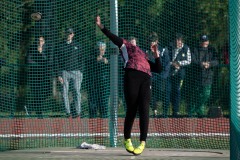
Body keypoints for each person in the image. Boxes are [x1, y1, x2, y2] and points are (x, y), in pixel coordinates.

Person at [96, 16, 162, 155]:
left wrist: (156, 55)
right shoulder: (125, 45)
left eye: (134, 40)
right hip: (131, 76)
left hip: (146, 79)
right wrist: (101, 27)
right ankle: (127, 139)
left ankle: (143, 142)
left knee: (144, 109)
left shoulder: (143, 54)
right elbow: (111, 36)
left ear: (137, 42)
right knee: (132, 109)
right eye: (130, 40)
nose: (133, 42)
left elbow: (158, 69)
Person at [55, 28, 83, 118]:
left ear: (73, 34)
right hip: (64, 72)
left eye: (71, 33)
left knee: (76, 91)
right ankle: (68, 113)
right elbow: (56, 61)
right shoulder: (60, 46)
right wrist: (58, 74)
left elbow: (81, 59)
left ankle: (78, 113)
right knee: (64, 92)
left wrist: (80, 72)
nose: (69, 34)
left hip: (76, 72)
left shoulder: (78, 45)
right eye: (68, 33)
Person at [188, 35, 219, 117]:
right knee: (196, 94)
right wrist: (201, 64)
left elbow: (216, 61)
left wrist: (209, 64)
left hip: (208, 76)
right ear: (200, 42)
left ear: (208, 42)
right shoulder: (195, 49)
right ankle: (197, 112)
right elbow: (192, 60)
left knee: (206, 94)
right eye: (202, 41)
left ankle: (197, 108)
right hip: (196, 76)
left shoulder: (212, 49)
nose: (204, 42)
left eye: (206, 41)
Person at [148, 32, 171, 117]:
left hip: (161, 77)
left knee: (162, 93)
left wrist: (163, 76)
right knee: (149, 94)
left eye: (153, 41)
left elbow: (167, 64)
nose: (151, 43)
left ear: (157, 41)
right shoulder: (146, 50)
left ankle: (164, 112)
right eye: (150, 41)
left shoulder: (163, 50)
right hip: (150, 77)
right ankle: (154, 110)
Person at [168, 33, 191, 117]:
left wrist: (179, 63)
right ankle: (167, 110)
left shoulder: (186, 48)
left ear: (182, 41)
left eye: (179, 40)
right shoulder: (169, 47)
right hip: (170, 74)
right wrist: (172, 63)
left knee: (177, 91)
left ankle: (176, 111)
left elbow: (189, 61)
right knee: (169, 91)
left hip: (180, 75)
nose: (178, 42)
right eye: (176, 40)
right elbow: (166, 59)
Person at [27, 36, 48, 118]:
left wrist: (41, 53)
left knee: (46, 92)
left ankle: (29, 107)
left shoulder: (46, 49)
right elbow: (28, 61)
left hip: (44, 75)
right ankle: (39, 113)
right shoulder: (32, 49)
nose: (40, 42)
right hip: (34, 75)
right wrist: (38, 64)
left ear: (44, 42)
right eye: (38, 41)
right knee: (37, 94)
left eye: (41, 41)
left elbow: (47, 61)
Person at [88, 41, 110, 118]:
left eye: (103, 49)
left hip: (104, 84)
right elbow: (88, 65)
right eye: (100, 49)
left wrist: (107, 62)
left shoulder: (109, 57)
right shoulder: (91, 57)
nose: (102, 51)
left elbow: (114, 67)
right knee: (93, 103)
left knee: (104, 103)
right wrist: (96, 60)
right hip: (94, 83)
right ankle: (92, 118)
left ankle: (104, 117)